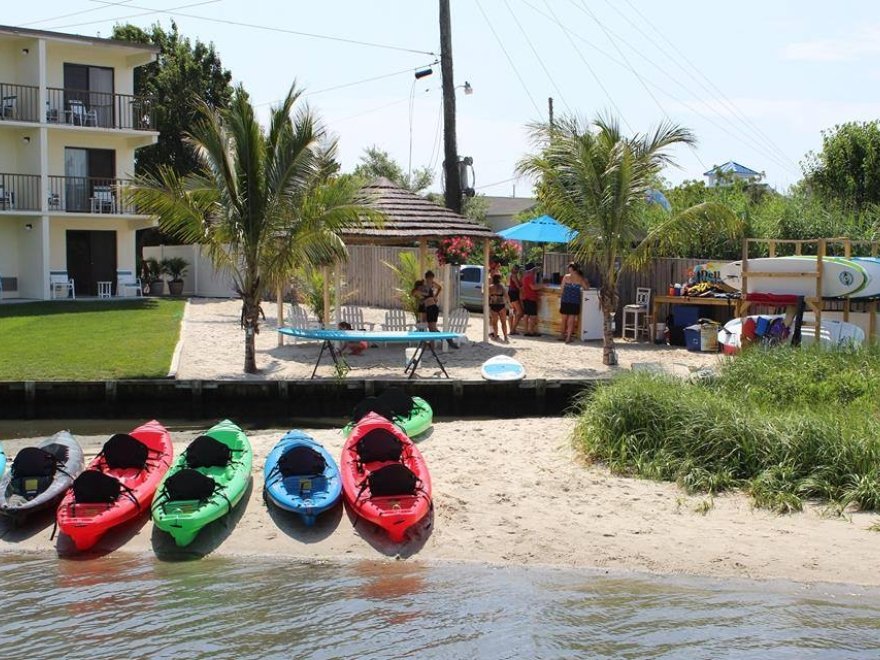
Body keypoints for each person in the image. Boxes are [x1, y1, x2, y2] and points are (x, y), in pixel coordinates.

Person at [559, 263, 590, 343]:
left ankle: (562, 335)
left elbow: (562, 289)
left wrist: (561, 297)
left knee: (564, 319)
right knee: (571, 320)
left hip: (565, 300)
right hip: (574, 301)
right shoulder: (580, 278)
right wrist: (586, 282)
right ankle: (568, 337)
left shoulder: (566, 277)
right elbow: (586, 288)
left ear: (571, 269)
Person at [487, 273, 510, 342]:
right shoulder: (502, 287)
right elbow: (506, 296)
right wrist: (509, 304)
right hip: (501, 305)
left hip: (493, 305)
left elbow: (487, 297)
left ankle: (495, 336)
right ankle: (505, 337)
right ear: (500, 279)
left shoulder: (490, 287)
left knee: (494, 323)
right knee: (503, 322)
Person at [520, 262, 540, 337]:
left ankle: (526, 330)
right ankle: (531, 331)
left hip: (526, 297)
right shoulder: (530, 276)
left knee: (526, 314)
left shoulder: (525, 276)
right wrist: (542, 286)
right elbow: (533, 287)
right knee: (532, 316)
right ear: (532, 269)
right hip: (531, 297)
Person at [507, 264, 523, 335]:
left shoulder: (509, 275)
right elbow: (518, 286)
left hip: (510, 293)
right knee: (519, 312)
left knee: (511, 312)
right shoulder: (514, 276)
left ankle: (511, 329)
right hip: (514, 293)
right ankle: (513, 329)